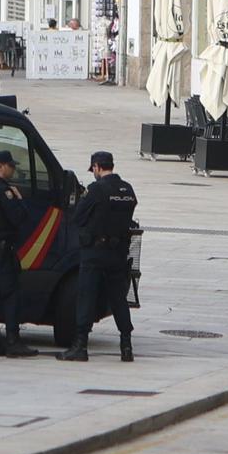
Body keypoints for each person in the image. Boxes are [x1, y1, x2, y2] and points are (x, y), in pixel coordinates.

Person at [57, 152, 138, 363]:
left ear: (96, 167)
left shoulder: (96, 190)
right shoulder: (127, 190)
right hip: (119, 252)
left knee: (87, 296)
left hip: (95, 252)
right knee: (119, 299)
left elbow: (78, 217)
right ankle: (126, 345)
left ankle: (80, 345)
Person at [0, 151, 39, 358]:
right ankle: (13, 341)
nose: (13, 169)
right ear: (0, 166)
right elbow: (19, 218)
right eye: (10, 165)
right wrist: (19, 199)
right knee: (11, 294)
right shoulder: (4, 191)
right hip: (4, 250)